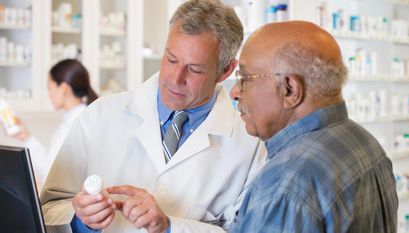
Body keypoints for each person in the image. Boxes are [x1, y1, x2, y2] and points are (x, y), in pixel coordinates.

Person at [40, 1, 265, 233]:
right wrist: (80, 221)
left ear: (226, 70)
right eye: (171, 59)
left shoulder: (250, 145)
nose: (175, 78)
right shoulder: (99, 115)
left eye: (195, 69)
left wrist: (170, 228)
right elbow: (47, 210)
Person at [228, 21, 398, 233]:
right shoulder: (363, 140)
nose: (234, 92)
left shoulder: (286, 183)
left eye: (244, 78)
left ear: (290, 90)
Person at [10, 59, 98, 189]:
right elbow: (50, 166)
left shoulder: (80, 123)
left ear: (63, 88)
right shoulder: (70, 120)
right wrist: (26, 137)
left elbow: (55, 176)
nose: (49, 95)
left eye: (50, 88)